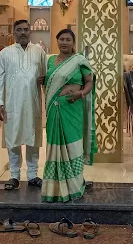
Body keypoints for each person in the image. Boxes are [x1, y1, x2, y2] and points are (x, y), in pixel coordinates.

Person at [41, 29, 96, 203]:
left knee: (73, 145)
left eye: (68, 40)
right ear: (57, 41)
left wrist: (81, 94)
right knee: (54, 146)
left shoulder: (79, 60)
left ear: (73, 42)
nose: (64, 42)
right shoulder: (50, 60)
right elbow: (49, 81)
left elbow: (89, 82)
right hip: (54, 108)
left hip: (73, 107)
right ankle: (54, 187)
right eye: (61, 39)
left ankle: (74, 184)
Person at [0, 19, 47, 191]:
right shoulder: (5, 53)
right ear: (13, 32)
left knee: (33, 139)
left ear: (30, 31)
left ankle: (32, 175)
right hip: (12, 104)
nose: (23, 32)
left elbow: (46, 76)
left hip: (33, 102)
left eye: (25, 29)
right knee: (13, 139)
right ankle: (14, 176)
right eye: (19, 29)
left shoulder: (39, 52)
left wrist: (46, 91)